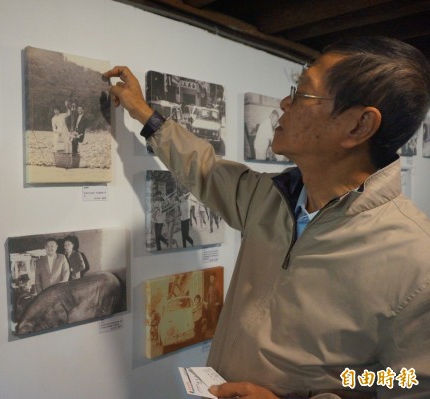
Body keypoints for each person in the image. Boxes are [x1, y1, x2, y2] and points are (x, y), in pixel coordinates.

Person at [104, 36, 430, 398]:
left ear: (358, 126)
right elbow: (207, 170)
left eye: (304, 93)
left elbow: (406, 383)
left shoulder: (417, 259)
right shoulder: (273, 199)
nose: (286, 103)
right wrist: (146, 116)